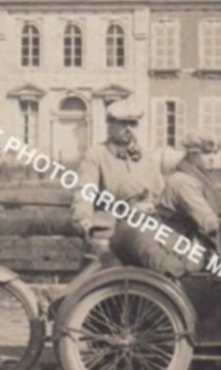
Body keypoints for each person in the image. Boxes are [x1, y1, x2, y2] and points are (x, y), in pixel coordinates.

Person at [70, 100, 176, 274]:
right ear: (110, 125)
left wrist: (154, 205)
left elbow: (160, 193)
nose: (129, 128)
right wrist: (83, 219)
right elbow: (84, 191)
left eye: (133, 123)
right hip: (112, 228)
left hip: (147, 226)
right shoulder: (96, 155)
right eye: (123, 123)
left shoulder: (146, 156)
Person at [159, 131, 221, 250]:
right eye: (207, 153)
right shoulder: (183, 181)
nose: (212, 158)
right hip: (176, 243)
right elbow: (208, 221)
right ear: (193, 155)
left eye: (214, 153)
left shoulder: (198, 178)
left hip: (191, 238)